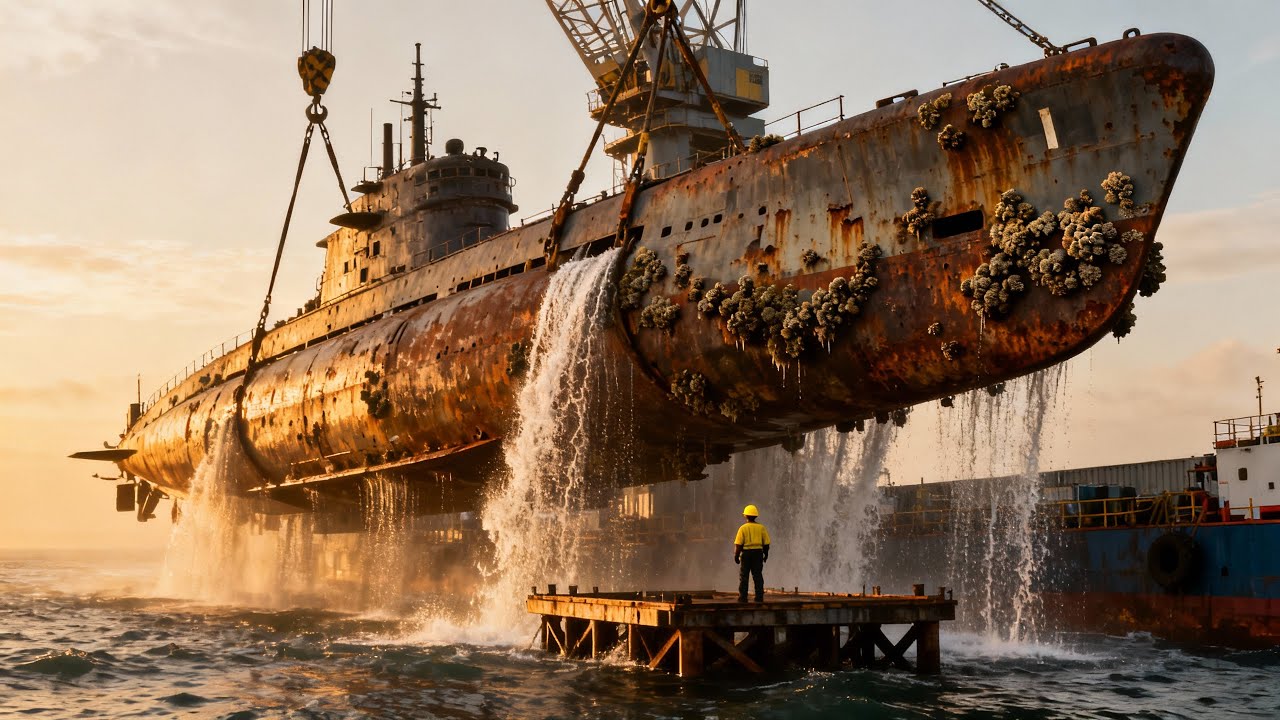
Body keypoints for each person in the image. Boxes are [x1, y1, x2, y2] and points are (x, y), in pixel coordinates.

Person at [733, 504, 771, 603]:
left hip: (746, 554)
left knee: (744, 576)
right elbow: (766, 544)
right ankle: (759, 597)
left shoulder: (742, 528)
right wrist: (766, 555)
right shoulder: (761, 528)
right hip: (758, 553)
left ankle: (743, 598)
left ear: (745, 516)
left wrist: (736, 556)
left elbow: (738, 545)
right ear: (756, 516)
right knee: (757, 575)